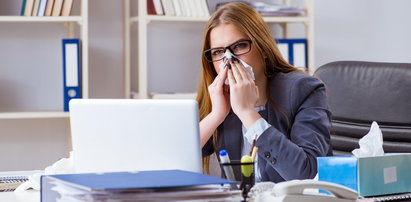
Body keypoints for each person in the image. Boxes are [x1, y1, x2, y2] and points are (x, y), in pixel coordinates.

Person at [196, 2, 332, 183]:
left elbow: (305, 173)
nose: (229, 59)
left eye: (240, 46)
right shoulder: (219, 97)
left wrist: (247, 113)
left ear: (263, 48)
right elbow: (172, 159)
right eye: (218, 52)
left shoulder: (305, 89)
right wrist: (216, 114)